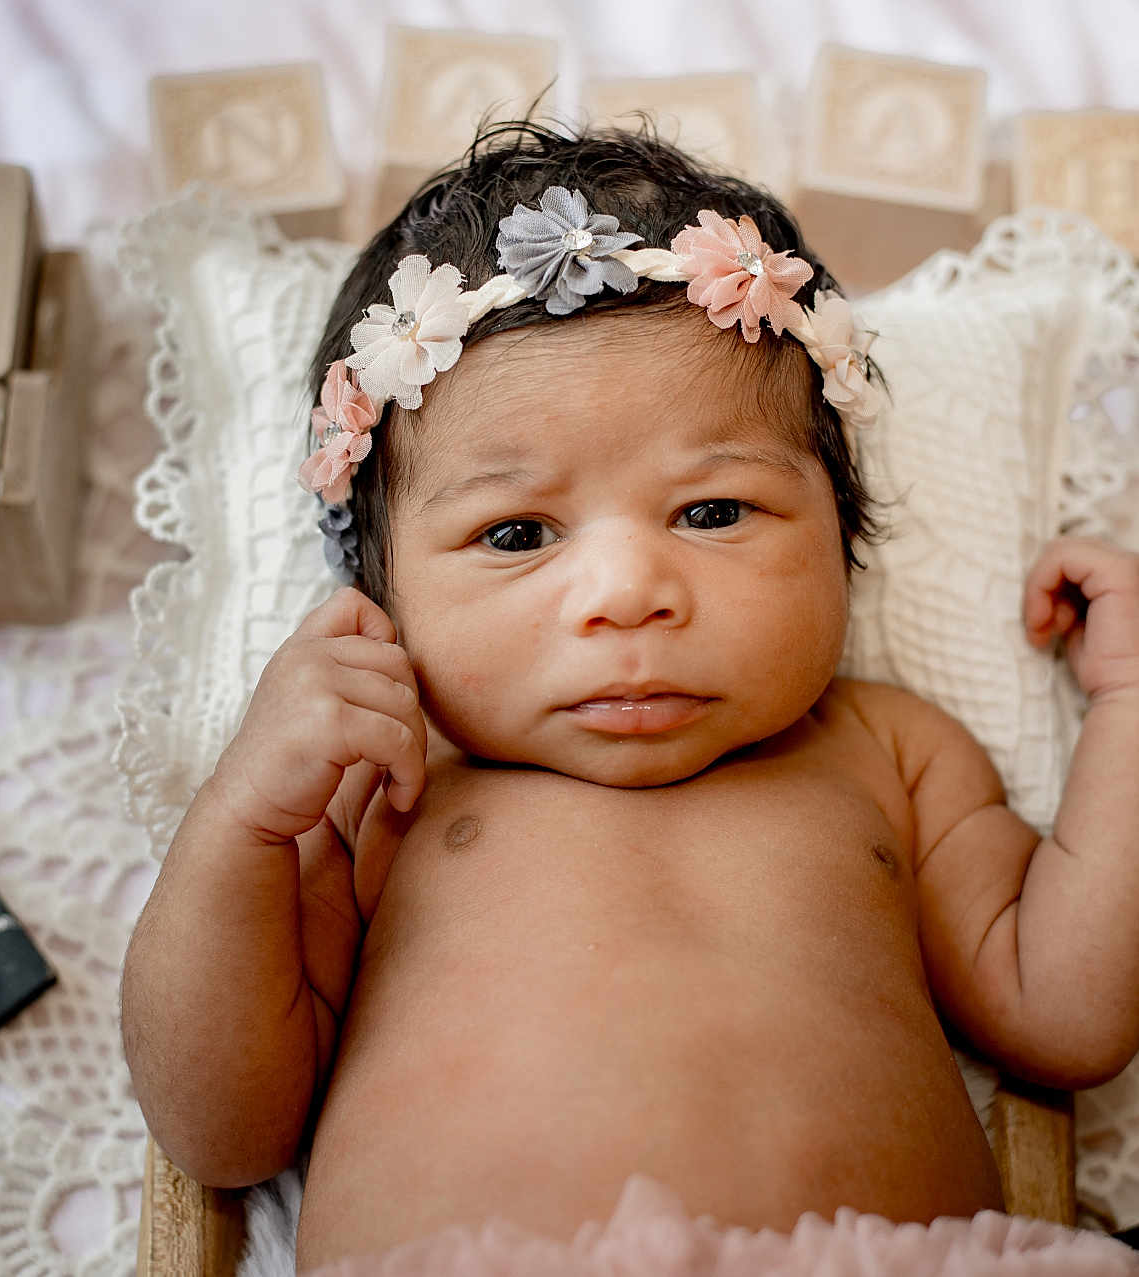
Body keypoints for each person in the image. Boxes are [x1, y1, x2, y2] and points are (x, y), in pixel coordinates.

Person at [120, 122, 1139, 1271]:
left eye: (712, 511)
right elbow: (220, 1128)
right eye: (515, 533)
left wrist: (1127, 701)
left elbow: (1069, 1012)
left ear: (839, 536)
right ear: (382, 595)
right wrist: (236, 824)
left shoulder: (885, 753)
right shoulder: (377, 786)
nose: (625, 592)